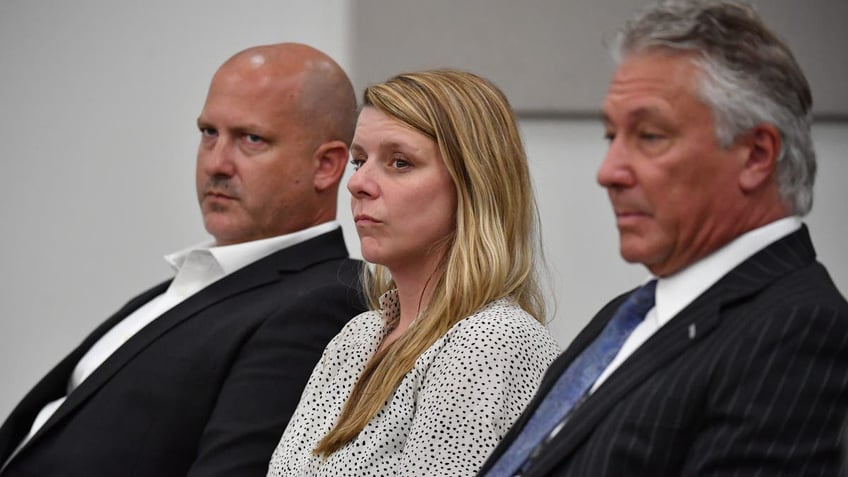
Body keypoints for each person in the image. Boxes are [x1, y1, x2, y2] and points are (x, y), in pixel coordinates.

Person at [479, 1, 848, 476]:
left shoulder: (798, 330)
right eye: (611, 136)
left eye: (650, 136)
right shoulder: (628, 312)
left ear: (756, 155)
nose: (608, 171)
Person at [0, 43, 366, 477]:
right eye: (208, 133)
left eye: (251, 139)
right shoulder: (198, 281)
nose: (216, 163)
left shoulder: (322, 303)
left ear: (327, 166)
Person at [266, 69, 560, 476]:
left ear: (473, 184)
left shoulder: (491, 340)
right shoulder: (357, 337)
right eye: (359, 161)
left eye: (400, 162)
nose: (359, 184)